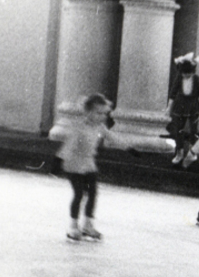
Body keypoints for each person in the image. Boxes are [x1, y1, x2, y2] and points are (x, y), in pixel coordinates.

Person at [48, 93, 142, 241]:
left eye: (105, 113)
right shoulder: (78, 127)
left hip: (88, 163)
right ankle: (73, 226)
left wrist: (129, 148)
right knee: (79, 194)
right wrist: (58, 161)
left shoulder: (100, 127)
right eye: (99, 113)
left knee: (92, 194)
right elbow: (69, 146)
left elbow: (113, 138)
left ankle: (87, 225)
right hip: (74, 164)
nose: (103, 116)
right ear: (88, 112)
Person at [167, 52, 199, 165]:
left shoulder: (196, 79)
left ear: (193, 71)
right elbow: (172, 93)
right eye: (184, 73)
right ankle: (179, 152)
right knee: (178, 130)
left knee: (194, 130)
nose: (187, 76)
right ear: (181, 72)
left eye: (189, 73)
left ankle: (192, 153)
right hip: (180, 106)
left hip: (193, 107)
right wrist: (169, 108)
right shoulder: (179, 78)